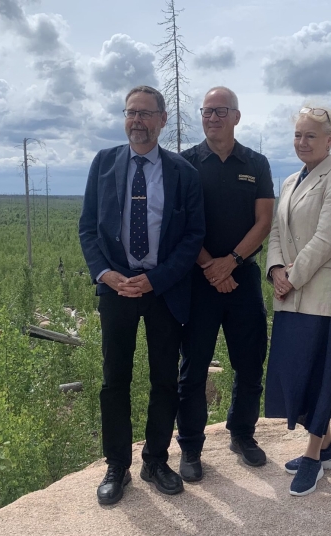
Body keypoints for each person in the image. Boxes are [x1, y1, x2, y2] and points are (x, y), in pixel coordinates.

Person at [79, 85, 205, 505]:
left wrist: (157, 279)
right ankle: (118, 466)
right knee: (114, 380)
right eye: (131, 112)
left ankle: (155, 460)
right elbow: (88, 228)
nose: (137, 121)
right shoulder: (103, 163)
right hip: (116, 289)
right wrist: (105, 275)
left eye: (146, 114)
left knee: (164, 380)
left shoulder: (183, 172)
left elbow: (192, 236)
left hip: (163, 290)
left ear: (163, 120)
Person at [176, 86, 275, 482]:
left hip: (243, 278)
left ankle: (242, 434)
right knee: (193, 368)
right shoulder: (184, 164)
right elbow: (179, 224)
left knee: (250, 363)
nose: (213, 117)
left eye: (221, 111)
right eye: (207, 111)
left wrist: (230, 263)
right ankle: (191, 448)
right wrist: (209, 267)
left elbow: (264, 222)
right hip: (198, 282)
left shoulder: (256, 162)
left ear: (236, 116)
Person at [264, 105, 331, 496]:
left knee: (320, 376)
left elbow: (328, 239)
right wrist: (275, 271)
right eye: (298, 135)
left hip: (324, 297)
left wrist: (293, 277)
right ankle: (329, 447)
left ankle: (313, 456)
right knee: (296, 373)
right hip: (290, 295)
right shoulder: (289, 181)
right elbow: (274, 231)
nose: (302, 142)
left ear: (329, 140)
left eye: (310, 136)